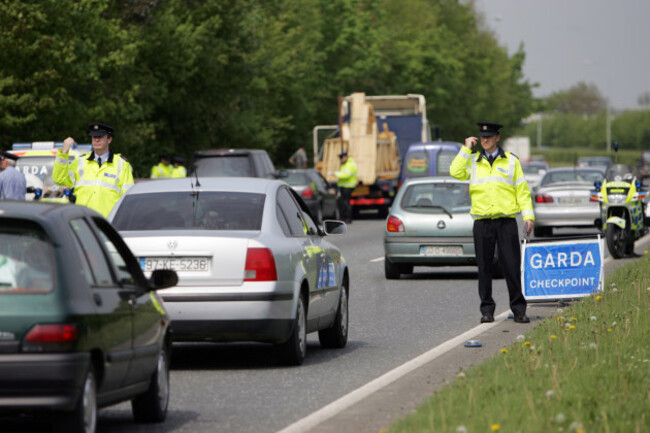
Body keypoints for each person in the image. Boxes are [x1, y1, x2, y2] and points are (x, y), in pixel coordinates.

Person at [450, 122, 534, 324]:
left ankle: (519, 309)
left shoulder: (511, 162)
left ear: (497, 138)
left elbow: (522, 191)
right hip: (482, 223)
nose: (485, 139)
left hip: (506, 222)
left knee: (512, 267)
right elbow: (454, 171)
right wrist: (465, 148)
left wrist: (528, 215)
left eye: (489, 136)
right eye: (482, 136)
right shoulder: (472, 161)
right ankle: (487, 310)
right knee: (485, 268)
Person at [53, 122, 134, 217]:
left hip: (108, 222)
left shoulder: (122, 164)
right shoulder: (80, 161)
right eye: (94, 137)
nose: (96, 139)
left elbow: (128, 200)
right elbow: (60, 179)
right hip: (84, 222)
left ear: (109, 140)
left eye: (100, 137)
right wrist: (64, 153)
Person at [333, 151, 358, 224]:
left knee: (346, 202)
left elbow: (346, 175)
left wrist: (336, 174)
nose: (341, 160)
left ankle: (348, 218)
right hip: (344, 186)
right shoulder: (345, 164)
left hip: (348, 186)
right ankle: (344, 218)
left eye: (342, 158)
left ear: (345, 157)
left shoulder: (349, 164)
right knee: (342, 201)